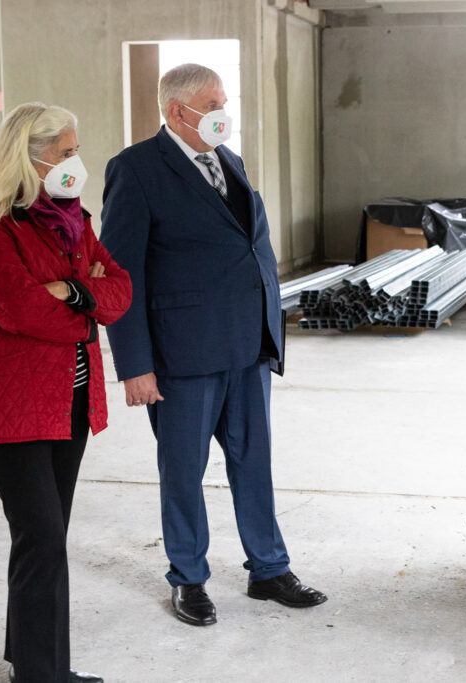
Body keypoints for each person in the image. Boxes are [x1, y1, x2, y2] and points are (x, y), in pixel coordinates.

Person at [100, 63, 325, 627]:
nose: (224, 112)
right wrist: (135, 366)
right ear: (178, 111)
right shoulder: (136, 170)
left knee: (255, 463)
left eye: (225, 101)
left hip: (247, 346)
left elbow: (249, 249)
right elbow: (120, 273)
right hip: (184, 356)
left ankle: (268, 569)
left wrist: (270, 332)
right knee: (183, 470)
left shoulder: (231, 160)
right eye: (213, 103)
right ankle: (189, 578)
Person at [0, 102, 132, 683]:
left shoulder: (72, 218)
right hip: (8, 402)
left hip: (69, 400)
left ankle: (29, 661)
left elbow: (121, 289)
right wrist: (87, 303)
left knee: (42, 539)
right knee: (43, 537)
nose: (76, 161)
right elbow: (18, 309)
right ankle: (42, 675)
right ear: (29, 156)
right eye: (67, 151)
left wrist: (72, 293)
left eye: (76, 150)